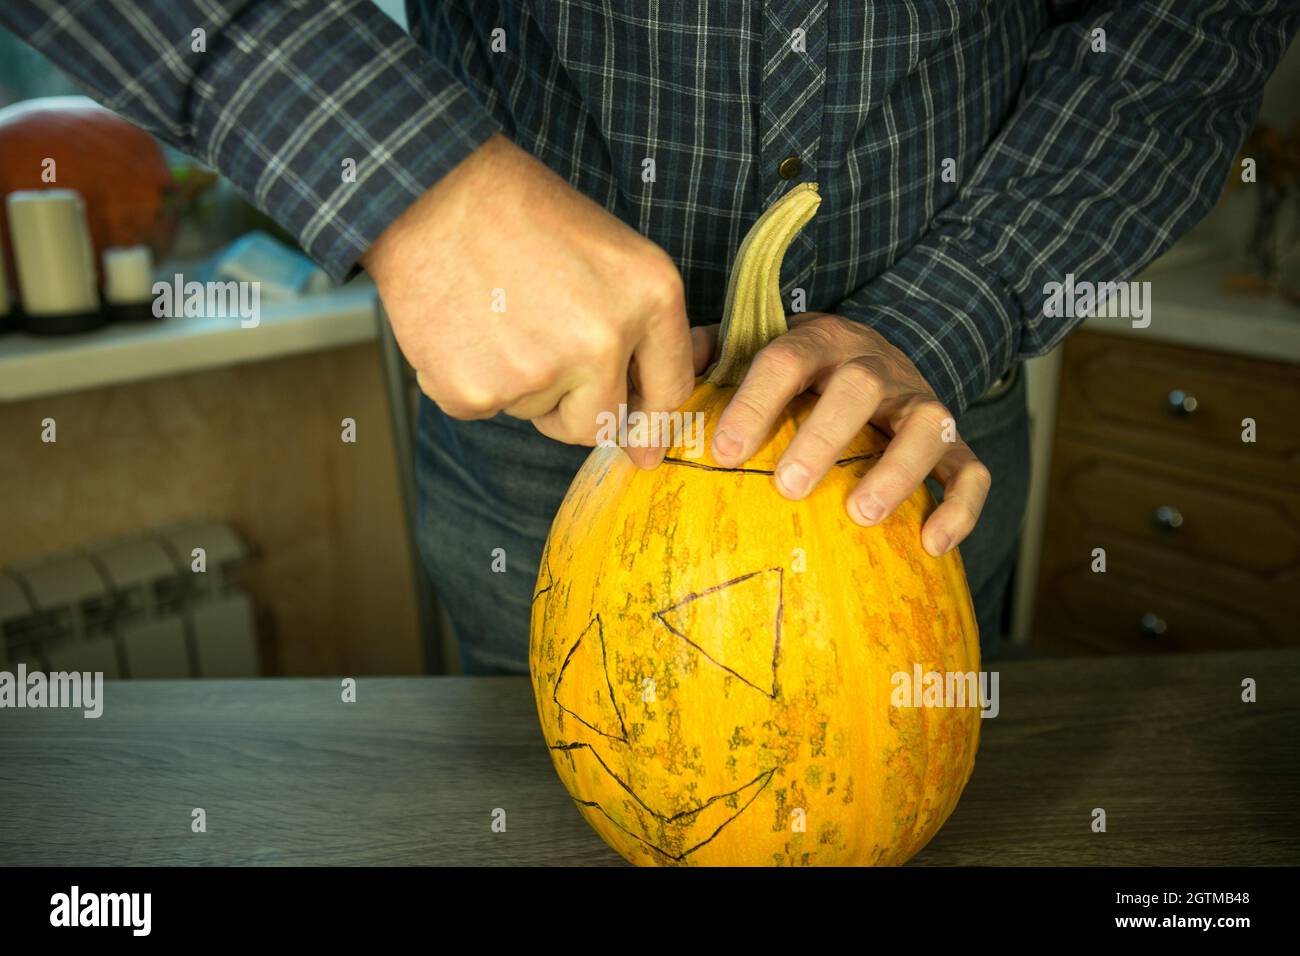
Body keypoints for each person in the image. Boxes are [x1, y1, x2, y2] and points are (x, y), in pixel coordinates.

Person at [5, 1, 1294, 673]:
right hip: (550, 452)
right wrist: (410, 179)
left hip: (915, 420)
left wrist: (954, 305)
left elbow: (1193, 27)